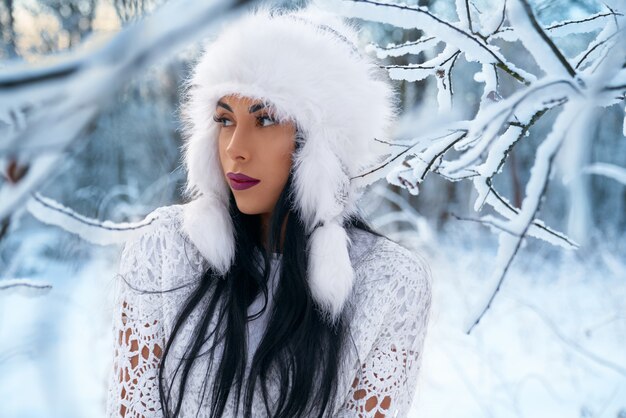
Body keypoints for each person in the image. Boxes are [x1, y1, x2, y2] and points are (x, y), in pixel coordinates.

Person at [106, 3, 432, 418]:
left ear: (323, 146)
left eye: (264, 120)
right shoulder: (165, 251)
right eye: (225, 120)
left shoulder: (388, 282)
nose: (234, 149)